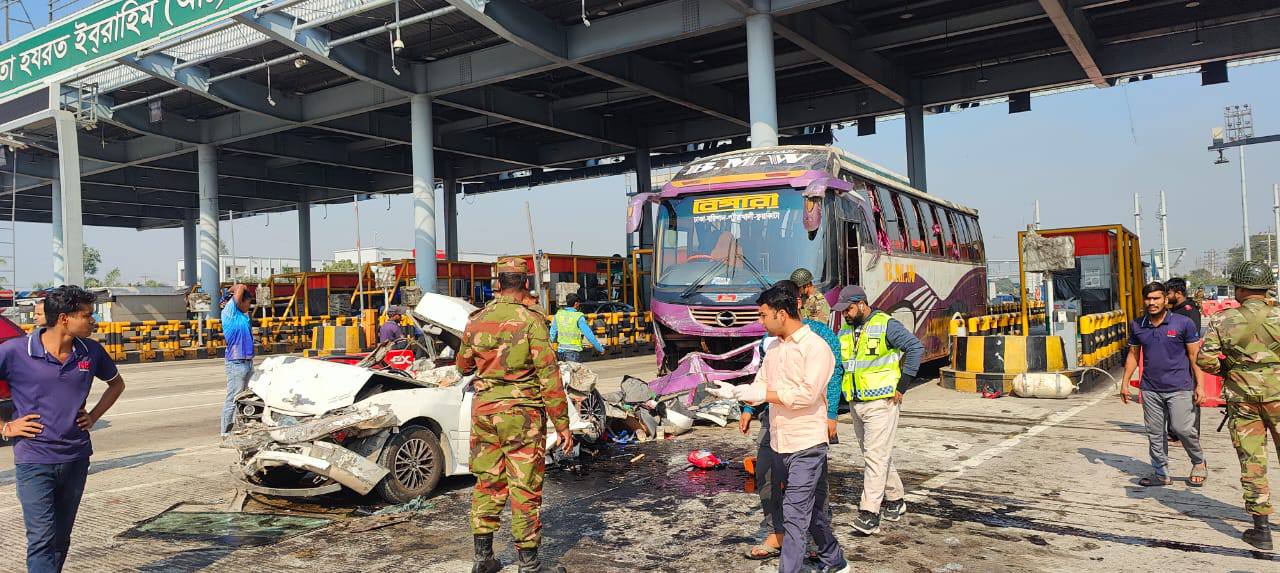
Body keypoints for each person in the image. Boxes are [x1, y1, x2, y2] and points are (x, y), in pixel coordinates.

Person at [709, 283, 849, 573]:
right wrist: (737, 393)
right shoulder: (773, 347)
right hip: (779, 443)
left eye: (763, 315)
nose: (760, 321)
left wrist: (762, 395)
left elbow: (806, 395)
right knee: (812, 513)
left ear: (782, 314)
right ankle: (834, 559)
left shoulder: (816, 348)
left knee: (796, 515)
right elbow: (762, 382)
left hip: (807, 444)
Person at [457, 256, 574, 573]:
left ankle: (483, 560)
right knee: (524, 487)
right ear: (525, 283)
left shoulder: (476, 320)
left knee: (487, 482)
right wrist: (562, 425)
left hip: (483, 412)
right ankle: (530, 565)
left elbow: (462, 366)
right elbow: (549, 377)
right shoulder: (531, 320)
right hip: (521, 416)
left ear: (497, 283)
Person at [0, 285, 125, 573]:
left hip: (75, 458)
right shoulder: (15, 351)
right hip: (34, 460)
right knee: (42, 538)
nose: (93, 321)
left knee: (60, 539)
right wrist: (6, 427)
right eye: (87, 315)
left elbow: (116, 384)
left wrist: (93, 416)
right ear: (65, 318)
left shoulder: (91, 351)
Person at [1196, 261, 1280, 550]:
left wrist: (1230, 372)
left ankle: (1262, 532)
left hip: (1243, 401)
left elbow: (1205, 360)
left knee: (1253, 463)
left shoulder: (1222, 320)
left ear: (1240, 289)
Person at [831, 285, 924, 536]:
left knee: (874, 456)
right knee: (876, 455)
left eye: (848, 310)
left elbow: (915, 348)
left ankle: (869, 513)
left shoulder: (886, 325)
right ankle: (895, 499)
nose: (845, 315)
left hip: (882, 402)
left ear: (861, 304)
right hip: (856, 402)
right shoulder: (845, 332)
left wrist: (903, 386)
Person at [1120, 282, 1208, 487]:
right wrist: (1124, 384)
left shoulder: (1182, 323)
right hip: (1150, 389)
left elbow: (1195, 356)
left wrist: (1200, 386)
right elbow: (1133, 356)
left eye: (1157, 298)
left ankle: (1199, 462)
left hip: (1180, 387)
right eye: (1148, 299)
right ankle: (1161, 473)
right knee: (1155, 432)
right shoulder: (1137, 325)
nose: (1152, 303)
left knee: (1182, 429)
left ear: (1165, 300)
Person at [1165, 277, 1202, 445]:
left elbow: (1191, 339)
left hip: (1187, 361)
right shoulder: (1174, 310)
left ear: (1178, 293)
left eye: (1169, 293)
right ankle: (1174, 431)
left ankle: (1191, 433)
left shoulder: (1188, 311)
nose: (1167, 296)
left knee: (1189, 398)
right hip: (1173, 362)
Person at [219, 284, 253, 436]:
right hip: (236, 363)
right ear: (240, 302)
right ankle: (225, 432)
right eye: (248, 303)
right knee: (233, 398)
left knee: (246, 398)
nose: (249, 306)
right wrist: (230, 291)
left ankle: (243, 427)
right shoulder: (229, 312)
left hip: (247, 361)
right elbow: (241, 287)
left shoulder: (242, 315)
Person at [549, 293, 604, 362]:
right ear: (576, 303)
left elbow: (552, 333)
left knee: (565, 372)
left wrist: (548, 348)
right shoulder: (578, 317)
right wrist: (600, 348)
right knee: (573, 372)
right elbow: (589, 334)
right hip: (573, 352)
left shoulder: (559, 314)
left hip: (560, 351)